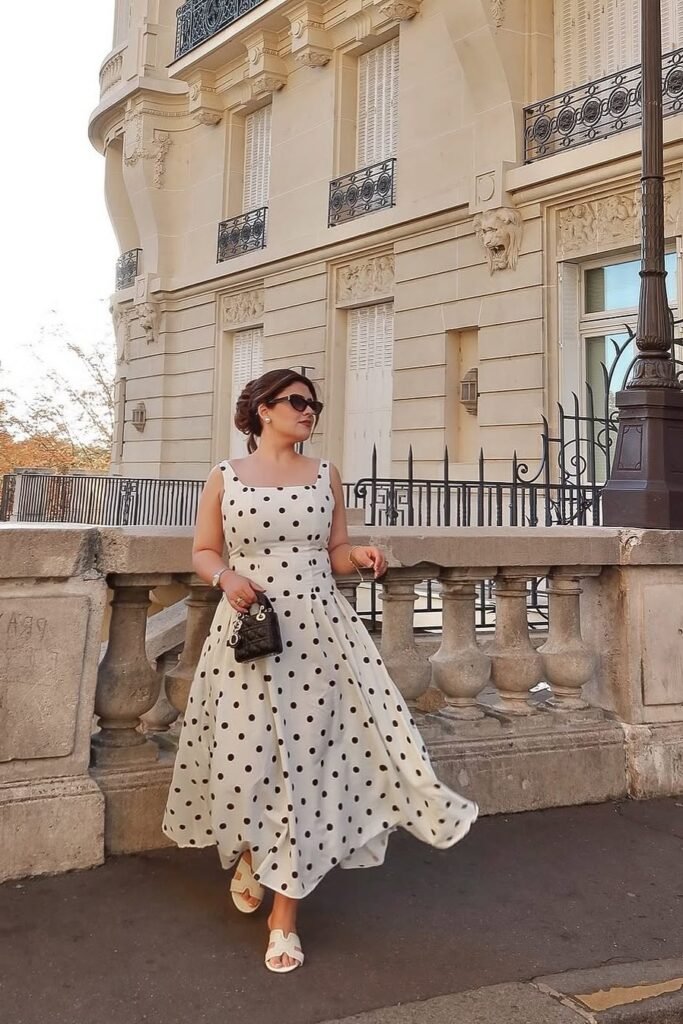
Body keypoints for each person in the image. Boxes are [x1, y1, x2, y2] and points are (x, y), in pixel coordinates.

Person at [162, 368, 478, 973]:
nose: (309, 411)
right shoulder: (225, 476)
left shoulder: (325, 473)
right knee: (244, 766)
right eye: (297, 401)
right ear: (263, 409)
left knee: (305, 771)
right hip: (248, 637)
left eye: (314, 404)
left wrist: (357, 554)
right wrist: (225, 577)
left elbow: (334, 550)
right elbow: (203, 551)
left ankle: (284, 918)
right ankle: (252, 852)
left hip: (317, 637)